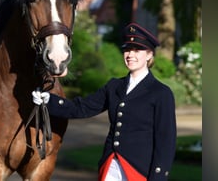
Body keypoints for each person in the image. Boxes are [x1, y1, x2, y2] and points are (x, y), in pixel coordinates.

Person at [32, 22, 176, 181]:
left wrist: (158, 177)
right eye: (127, 50)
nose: (130, 55)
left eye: (137, 50)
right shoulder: (114, 86)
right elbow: (82, 108)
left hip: (139, 170)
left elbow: (165, 142)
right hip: (110, 167)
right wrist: (49, 100)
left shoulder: (161, 93)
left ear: (149, 55)